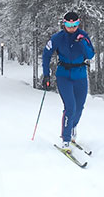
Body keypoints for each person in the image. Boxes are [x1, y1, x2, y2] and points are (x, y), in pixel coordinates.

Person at [42, 11, 95, 152]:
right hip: (64, 76)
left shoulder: (84, 36)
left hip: (80, 76)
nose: (72, 27)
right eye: (68, 24)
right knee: (70, 107)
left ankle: (72, 127)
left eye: (75, 24)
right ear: (64, 24)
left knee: (79, 107)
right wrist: (46, 75)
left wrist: (83, 41)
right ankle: (65, 140)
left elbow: (90, 54)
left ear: (79, 23)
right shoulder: (57, 38)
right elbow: (46, 54)